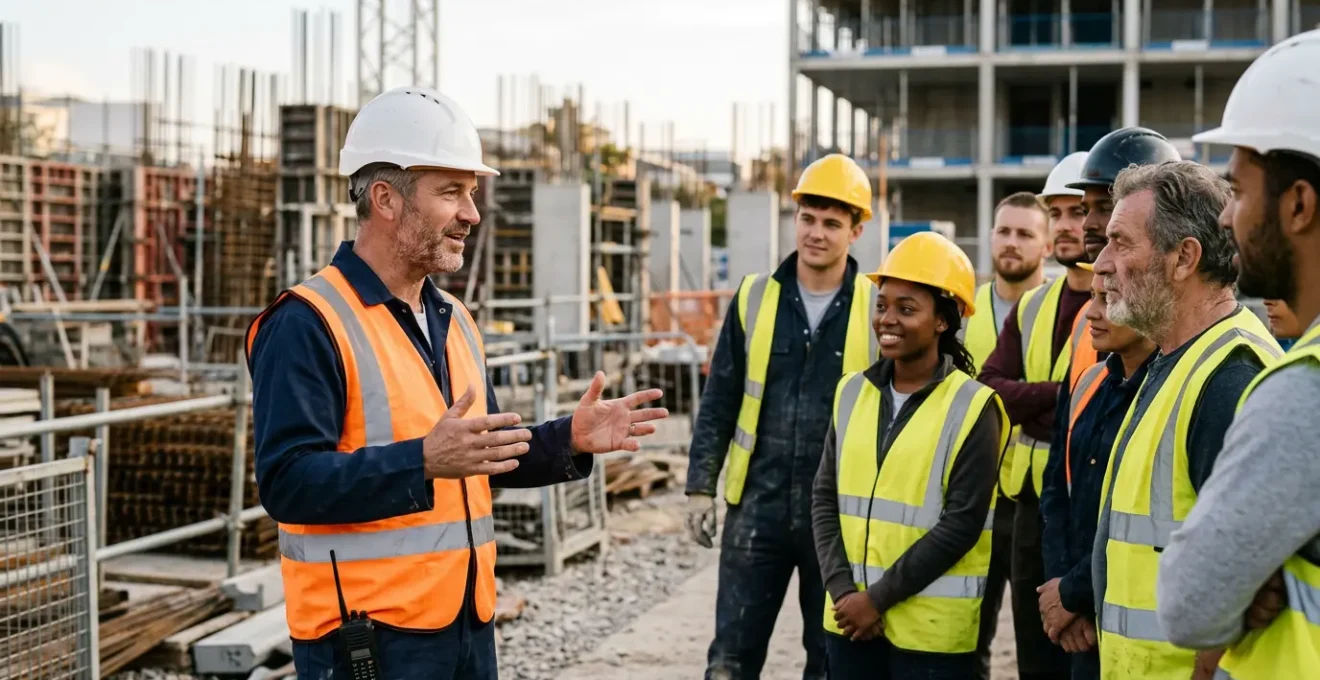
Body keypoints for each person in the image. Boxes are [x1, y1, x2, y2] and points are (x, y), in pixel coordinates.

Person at [244, 86, 669, 679]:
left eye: (471, 193)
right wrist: (421, 460)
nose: (472, 213)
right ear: (386, 199)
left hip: (466, 624)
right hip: (366, 640)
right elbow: (288, 483)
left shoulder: (454, 319)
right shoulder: (308, 322)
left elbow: (478, 456)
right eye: (451, 192)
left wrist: (566, 439)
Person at [1152, 28, 1320, 679]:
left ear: (1299, 205)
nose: (1226, 217)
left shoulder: (1302, 391)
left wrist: (1255, 579)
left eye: (1240, 191)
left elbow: (1190, 605)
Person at [685, 153, 878, 680]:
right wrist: (700, 486)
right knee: (730, 659)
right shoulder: (753, 298)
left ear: (856, 230)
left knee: (830, 661)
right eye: (807, 219)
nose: (816, 233)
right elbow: (720, 399)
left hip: (836, 515)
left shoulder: (875, 307)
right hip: (757, 507)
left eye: (832, 223)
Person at [1089, 160, 1283, 680]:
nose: (1101, 264)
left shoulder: (1229, 378)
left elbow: (1246, 579)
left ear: (1184, 258)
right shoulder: (1177, 359)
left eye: (1120, 243)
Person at [811, 231, 1008, 680]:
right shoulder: (851, 392)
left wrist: (875, 600)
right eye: (882, 305)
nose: (887, 319)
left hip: (930, 638)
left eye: (906, 308)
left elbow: (961, 524)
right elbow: (824, 498)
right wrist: (843, 593)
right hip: (848, 622)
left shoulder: (974, 407)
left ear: (942, 321)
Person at [977, 153, 1097, 680]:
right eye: (1059, 213)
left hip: (1089, 498)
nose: (1068, 225)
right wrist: (1062, 393)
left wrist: (1036, 402)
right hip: (1028, 502)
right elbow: (990, 387)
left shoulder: (1126, 303)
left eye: (1080, 212)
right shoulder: (1033, 307)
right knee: (1035, 652)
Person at [965, 182, 1064, 680]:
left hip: (1033, 495)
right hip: (970, 496)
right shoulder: (963, 312)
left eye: (1025, 234)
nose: (1011, 242)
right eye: (1003, 231)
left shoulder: (1068, 308)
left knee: (1037, 640)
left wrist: (1021, 395)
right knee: (967, 636)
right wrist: (1052, 395)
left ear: (1046, 246)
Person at [1038, 274, 1157, 680]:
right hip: (1080, 623)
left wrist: (1072, 594)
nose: (1091, 312)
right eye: (1092, 296)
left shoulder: (1166, 392)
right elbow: (1056, 489)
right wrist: (1060, 587)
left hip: (1136, 627)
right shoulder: (1089, 381)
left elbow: (1146, 523)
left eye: (1109, 299)